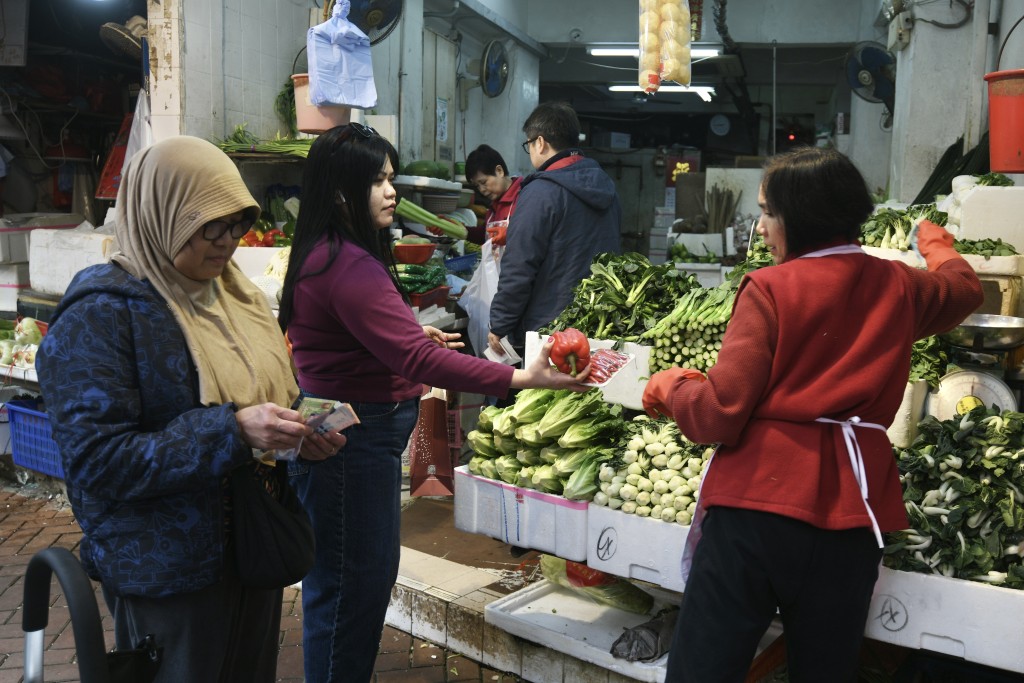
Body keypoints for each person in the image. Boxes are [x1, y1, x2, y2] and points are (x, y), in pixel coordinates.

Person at [641, 146, 984, 682]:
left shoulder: (771, 289)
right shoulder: (898, 285)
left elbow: (718, 414)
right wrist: (938, 245)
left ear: (796, 219)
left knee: (703, 669)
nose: (762, 227)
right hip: (851, 518)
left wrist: (671, 384)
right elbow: (964, 289)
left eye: (768, 213)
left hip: (755, 510)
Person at [276, 122, 593, 683]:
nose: (392, 191)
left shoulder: (334, 252)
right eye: (377, 181)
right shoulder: (346, 263)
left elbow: (367, 341)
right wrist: (521, 378)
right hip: (352, 441)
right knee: (352, 585)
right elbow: (416, 364)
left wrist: (411, 337)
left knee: (352, 579)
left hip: (352, 432)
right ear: (342, 190)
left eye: (391, 178)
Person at [34, 136, 347, 683]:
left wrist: (297, 433)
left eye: (237, 224)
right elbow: (96, 459)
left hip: (249, 545)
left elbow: (262, 394)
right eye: (211, 226)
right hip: (167, 568)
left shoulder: (232, 295)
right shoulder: (103, 314)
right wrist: (232, 433)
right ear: (163, 216)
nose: (228, 241)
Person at [488, 101, 622, 359]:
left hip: (549, 335)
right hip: (599, 325)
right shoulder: (607, 186)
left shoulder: (541, 191)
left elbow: (519, 266)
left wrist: (500, 323)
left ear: (540, 143)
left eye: (528, 145)